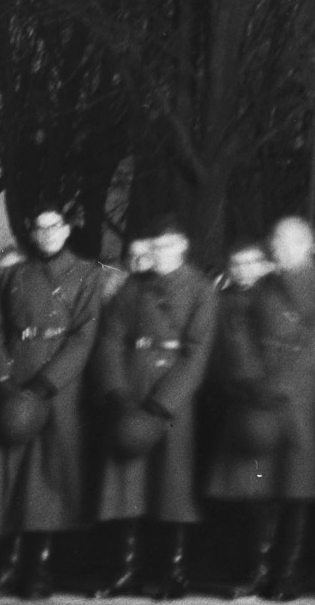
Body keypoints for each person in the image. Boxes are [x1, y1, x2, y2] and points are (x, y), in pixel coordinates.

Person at [207, 215, 315, 602]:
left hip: (300, 399)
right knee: (256, 487)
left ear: (308, 246)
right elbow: (240, 335)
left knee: (294, 489)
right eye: (275, 242)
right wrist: (251, 379)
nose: (278, 249)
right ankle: (258, 569)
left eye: (287, 242)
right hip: (258, 399)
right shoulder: (263, 286)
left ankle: (287, 573)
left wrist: (281, 386)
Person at [0, 206, 104, 600]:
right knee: (12, 473)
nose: (48, 233)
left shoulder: (87, 274)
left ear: (66, 231)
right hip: (16, 379)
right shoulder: (11, 275)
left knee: (47, 478)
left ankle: (40, 567)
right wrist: (1, 379)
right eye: (40, 227)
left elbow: (84, 336)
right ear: (32, 233)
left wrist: (48, 383)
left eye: (55, 226)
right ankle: (8, 564)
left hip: (57, 385)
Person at [90, 218, 215, 600]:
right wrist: (118, 392)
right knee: (127, 482)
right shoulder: (133, 285)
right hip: (132, 385)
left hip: (172, 396)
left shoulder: (201, 289)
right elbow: (111, 338)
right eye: (152, 248)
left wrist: (162, 404)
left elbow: (197, 351)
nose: (155, 255)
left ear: (181, 247)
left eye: (163, 248)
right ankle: (126, 570)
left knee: (171, 487)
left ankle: (172, 572)